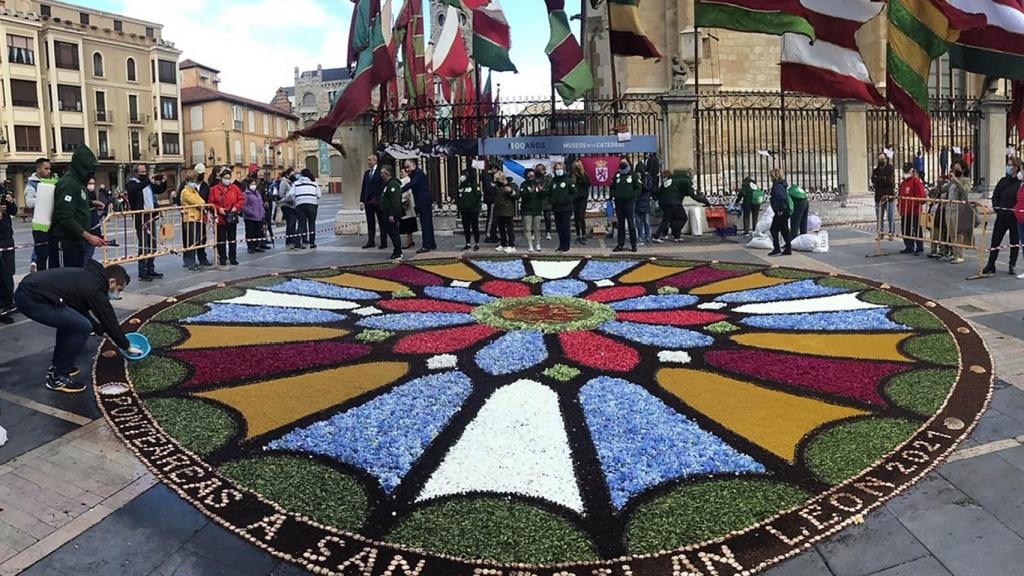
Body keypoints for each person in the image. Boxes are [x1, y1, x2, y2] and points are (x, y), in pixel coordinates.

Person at [15, 261, 139, 393]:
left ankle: (58, 366)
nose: (118, 294)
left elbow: (79, 311)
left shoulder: (91, 278)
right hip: (31, 298)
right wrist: (126, 346)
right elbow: (109, 320)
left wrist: (100, 331)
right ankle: (58, 377)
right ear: (112, 282)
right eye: (119, 289)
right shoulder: (94, 288)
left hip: (32, 291)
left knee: (72, 322)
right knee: (82, 327)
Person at [51, 146, 106, 268]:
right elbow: (65, 216)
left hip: (78, 241)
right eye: (90, 169)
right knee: (69, 276)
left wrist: (91, 203)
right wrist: (89, 236)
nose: (91, 172)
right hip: (67, 242)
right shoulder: (68, 184)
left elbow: (76, 203)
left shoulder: (79, 183)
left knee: (79, 274)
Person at [126, 163, 167, 280]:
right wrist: (148, 180)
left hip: (151, 216)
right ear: (136, 173)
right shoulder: (132, 184)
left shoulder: (147, 184)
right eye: (142, 172)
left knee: (152, 244)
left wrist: (163, 181)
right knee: (144, 245)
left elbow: (159, 190)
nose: (144, 174)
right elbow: (135, 190)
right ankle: (142, 271)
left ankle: (150, 268)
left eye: (145, 172)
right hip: (141, 217)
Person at [984, 158, 1022, 275]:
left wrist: (1014, 211)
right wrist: (997, 208)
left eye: (1010, 165)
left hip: (1014, 217)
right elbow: (995, 196)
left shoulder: (1020, 184)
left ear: (1015, 167)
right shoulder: (1003, 181)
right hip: (1001, 216)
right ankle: (991, 264)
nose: (1008, 167)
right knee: (995, 240)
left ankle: (1012, 264)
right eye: (1007, 165)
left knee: (1014, 241)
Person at [25, 157, 58, 272]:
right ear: (38, 169)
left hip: (54, 223)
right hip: (40, 225)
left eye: (49, 169)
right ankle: (38, 271)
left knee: (54, 254)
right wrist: (44, 198)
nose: (49, 171)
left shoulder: (54, 181)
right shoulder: (31, 185)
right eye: (46, 169)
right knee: (42, 256)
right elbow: (29, 202)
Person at [209, 168, 244, 266]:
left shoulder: (235, 188)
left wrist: (236, 207)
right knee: (221, 239)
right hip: (220, 218)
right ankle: (222, 258)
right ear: (221, 178)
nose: (227, 180)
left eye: (228, 178)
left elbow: (241, 199)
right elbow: (211, 203)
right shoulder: (214, 189)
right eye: (225, 178)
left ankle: (233, 257)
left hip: (232, 217)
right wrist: (218, 209)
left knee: (232, 238)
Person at [403, 158, 435, 253]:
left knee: (425, 224)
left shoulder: (417, 174)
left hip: (423, 201)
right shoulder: (415, 174)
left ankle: (426, 245)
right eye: (405, 167)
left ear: (414, 165)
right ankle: (431, 243)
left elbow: (412, 184)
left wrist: (400, 190)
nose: (407, 169)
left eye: (408, 167)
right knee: (427, 223)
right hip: (423, 201)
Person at [179, 170, 208, 272]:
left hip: (197, 218)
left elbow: (202, 201)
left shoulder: (194, 191)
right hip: (189, 219)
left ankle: (193, 261)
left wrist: (201, 204)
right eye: (192, 181)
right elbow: (196, 202)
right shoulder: (185, 192)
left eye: (195, 181)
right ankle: (190, 262)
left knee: (195, 241)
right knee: (190, 242)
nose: (194, 183)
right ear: (187, 181)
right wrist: (201, 204)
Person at [946, 160, 973, 264]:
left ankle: (960, 255)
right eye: (954, 168)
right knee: (951, 233)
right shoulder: (952, 182)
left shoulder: (966, 180)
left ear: (963, 170)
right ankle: (954, 254)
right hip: (949, 208)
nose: (955, 170)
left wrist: (957, 181)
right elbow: (944, 189)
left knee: (958, 233)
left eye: (957, 168)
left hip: (959, 209)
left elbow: (965, 191)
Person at [897, 162, 927, 255]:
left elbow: (921, 196)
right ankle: (909, 246)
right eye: (905, 171)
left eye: (907, 171)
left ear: (912, 171)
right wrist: (899, 206)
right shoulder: (903, 183)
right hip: (905, 211)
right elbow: (900, 196)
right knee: (906, 229)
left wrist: (914, 204)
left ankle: (919, 247)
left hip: (914, 211)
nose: (906, 173)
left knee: (917, 229)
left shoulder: (916, 182)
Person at [610, 160, 640, 252]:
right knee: (620, 224)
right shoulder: (617, 174)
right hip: (619, 202)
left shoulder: (633, 174)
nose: (622, 164)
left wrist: (631, 195)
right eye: (621, 162)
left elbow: (638, 188)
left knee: (631, 224)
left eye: (624, 162)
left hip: (629, 203)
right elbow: (612, 187)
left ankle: (633, 245)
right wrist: (614, 195)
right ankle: (620, 244)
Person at [360, 154, 387, 250]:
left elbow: (383, 186)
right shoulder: (367, 173)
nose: (368, 162)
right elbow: (364, 187)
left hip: (377, 201)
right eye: (368, 160)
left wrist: (379, 198)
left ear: (375, 161)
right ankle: (370, 241)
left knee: (381, 222)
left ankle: (383, 242)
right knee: (370, 222)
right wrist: (362, 200)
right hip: (368, 202)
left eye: (370, 160)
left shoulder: (380, 171)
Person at [290, 168, 322, 249]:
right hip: (312, 204)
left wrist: (296, 200)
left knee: (301, 224)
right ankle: (312, 243)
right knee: (312, 223)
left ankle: (297, 243)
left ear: (301, 175)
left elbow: (290, 194)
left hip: (300, 204)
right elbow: (319, 195)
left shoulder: (296, 183)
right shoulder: (314, 184)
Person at [379, 166, 405, 261]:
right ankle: (396, 250)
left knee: (394, 233)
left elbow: (395, 200)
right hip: (386, 212)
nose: (381, 175)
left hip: (391, 213)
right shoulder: (387, 184)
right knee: (391, 232)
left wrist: (392, 214)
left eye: (383, 173)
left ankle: (398, 252)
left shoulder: (393, 184)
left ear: (388, 173)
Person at [549, 162, 576, 253]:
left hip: (566, 208)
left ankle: (566, 246)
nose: (558, 171)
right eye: (557, 169)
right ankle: (561, 245)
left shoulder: (568, 180)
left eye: (560, 169)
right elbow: (549, 193)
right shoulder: (553, 182)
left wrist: (567, 200)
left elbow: (574, 193)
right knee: (559, 228)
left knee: (565, 227)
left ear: (564, 170)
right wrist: (552, 201)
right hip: (556, 208)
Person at [0, 181, 17, 324]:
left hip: (7, 239)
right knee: (1, 275)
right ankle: (2, 307)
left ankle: (9, 301)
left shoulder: (2, 190)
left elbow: (14, 211)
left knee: (9, 271)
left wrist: (10, 202)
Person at [82, 177, 109, 262]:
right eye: (90, 183)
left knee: (89, 253)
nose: (92, 186)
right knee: (85, 255)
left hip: (93, 224)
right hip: (85, 227)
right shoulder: (82, 193)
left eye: (93, 183)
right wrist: (93, 203)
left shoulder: (96, 193)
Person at [455, 168, 482, 251]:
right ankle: (468, 243)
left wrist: (470, 204)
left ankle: (477, 243)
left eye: (464, 175)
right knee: (466, 227)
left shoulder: (473, 185)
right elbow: (458, 197)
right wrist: (460, 206)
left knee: (474, 226)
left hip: (473, 210)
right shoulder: (461, 186)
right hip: (464, 210)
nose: (462, 177)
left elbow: (478, 195)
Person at [768, 168, 792, 256]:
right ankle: (788, 248)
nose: (770, 178)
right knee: (784, 230)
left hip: (781, 211)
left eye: (771, 176)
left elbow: (781, 198)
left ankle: (777, 248)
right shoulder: (782, 184)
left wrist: (779, 210)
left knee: (773, 230)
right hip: (785, 211)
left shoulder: (777, 186)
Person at [520, 169, 545, 252]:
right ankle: (530, 244)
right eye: (530, 175)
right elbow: (523, 197)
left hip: (537, 209)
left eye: (533, 175)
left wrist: (541, 190)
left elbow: (543, 196)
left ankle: (538, 244)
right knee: (527, 228)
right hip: (527, 209)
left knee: (537, 228)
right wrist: (530, 192)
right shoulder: (523, 185)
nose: (532, 177)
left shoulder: (537, 184)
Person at [871, 153, 896, 237]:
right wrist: (882, 178)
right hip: (878, 197)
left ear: (886, 159)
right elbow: (873, 180)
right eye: (879, 159)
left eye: (882, 159)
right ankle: (880, 232)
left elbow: (889, 181)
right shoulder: (875, 170)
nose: (881, 160)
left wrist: (879, 180)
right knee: (879, 217)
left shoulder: (890, 168)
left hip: (888, 196)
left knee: (890, 216)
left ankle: (891, 232)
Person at [492, 172, 517, 253]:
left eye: (502, 178)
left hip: (507, 210)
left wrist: (511, 191)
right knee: (501, 228)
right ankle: (503, 243)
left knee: (509, 229)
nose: (501, 180)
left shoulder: (512, 185)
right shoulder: (497, 187)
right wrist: (494, 181)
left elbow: (516, 196)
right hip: (499, 210)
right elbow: (491, 192)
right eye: (499, 178)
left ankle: (511, 245)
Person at [242, 176, 267, 254]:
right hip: (250, 217)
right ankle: (250, 247)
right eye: (252, 184)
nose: (254, 185)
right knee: (250, 233)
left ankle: (256, 246)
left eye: (254, 184)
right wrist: (250, 212)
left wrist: (263, 212)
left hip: (258, 217)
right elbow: (243, 205)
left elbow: (261, 203)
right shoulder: (245, 194)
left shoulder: (258, 193)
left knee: (257, 232)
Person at [398, 166, 418, 250]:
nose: (401, 173)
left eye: (402, 172)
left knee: (408, 224)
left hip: (407, 205)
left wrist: (402, 198)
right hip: (404, 205)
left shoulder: (408, 180)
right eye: (400, 172)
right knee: (406, 223)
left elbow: (408, 192)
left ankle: (408, 241)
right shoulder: (400, 181)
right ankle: (411, 240)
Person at [278, 168, 299, 249]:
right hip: (286, 205)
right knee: (290, 222)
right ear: (287, 174)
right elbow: (281, 194)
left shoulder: (292, 182)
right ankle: (289, 239)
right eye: (292, 174)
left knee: (293, 223)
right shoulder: (284, 182)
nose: (293, 175)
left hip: (293, 205)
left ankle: (292, 238)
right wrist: (288, 198)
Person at [635, 160, 653, 246]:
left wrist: (641, 183)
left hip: (645, 201)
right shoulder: (635, 177)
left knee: (646, 221)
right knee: (638, 222)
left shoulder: (647, 177)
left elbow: (648, 188)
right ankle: (640, 237)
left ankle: (647, 237)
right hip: (637, 201)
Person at [571, 160, 590, 245]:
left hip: (582, 198)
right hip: (575, 198)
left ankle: (584, 235)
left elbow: (587, 184)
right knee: (576, 217)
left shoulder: (584, 174)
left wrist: (581, 175)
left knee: (581, 216)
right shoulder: (571, 175)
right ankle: (578, 235)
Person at [482, 162, 499, 243]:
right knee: (491, 218)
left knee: (494, 218)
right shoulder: (488, 177)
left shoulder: (490, 176)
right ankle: (489, 234)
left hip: (493, 199)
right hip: (491, 199)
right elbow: (490, 188)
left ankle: (493, 233)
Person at [536, 163, 554, 241]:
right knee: (536, 218)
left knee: (547, 217)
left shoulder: (548, 177)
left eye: (539, 170)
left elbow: (550, 188)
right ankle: (536, 232)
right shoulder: (536, 178)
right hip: (538, 199)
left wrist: (543, 189)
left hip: (546, 200)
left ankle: (548, 232)